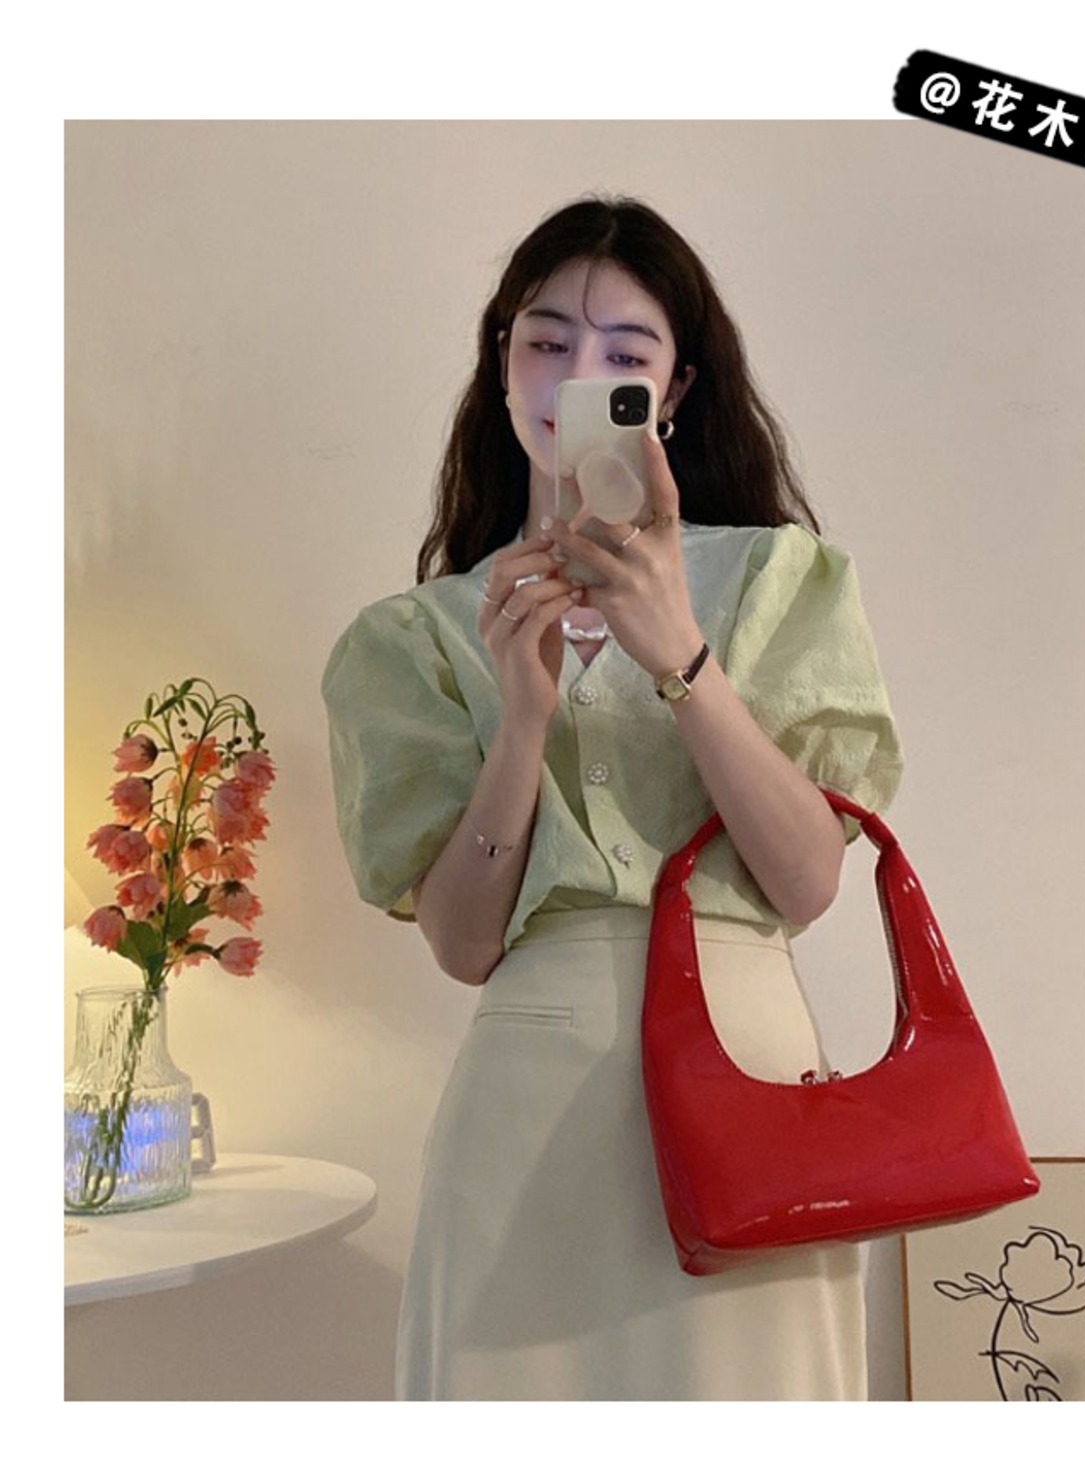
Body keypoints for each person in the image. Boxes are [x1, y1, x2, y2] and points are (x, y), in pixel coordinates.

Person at [323, 196, 902, 1401]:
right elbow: (463, 947)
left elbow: (805, 884)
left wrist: (679, 652)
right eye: (545, 341)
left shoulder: (779, 579)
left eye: (623, 353)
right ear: (500, 364)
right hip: (523, 1105)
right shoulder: (415, 636)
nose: (578, 375)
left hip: (748, 1079)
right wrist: (520, 718)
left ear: (673, 388)